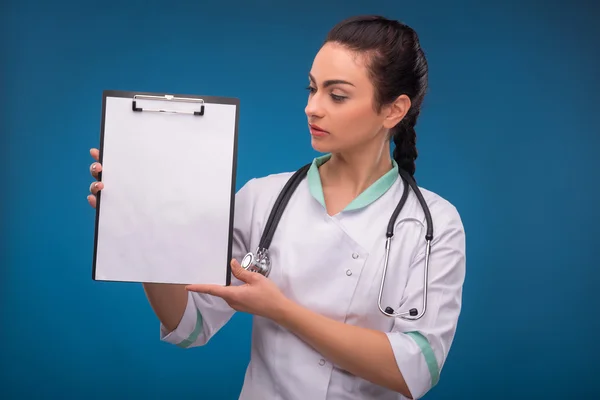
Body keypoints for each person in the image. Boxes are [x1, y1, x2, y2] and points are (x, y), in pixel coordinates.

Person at [87, 15, 466, 400]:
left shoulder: (433, 224)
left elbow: (414, 369)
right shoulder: (263, 199)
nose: (312, 108)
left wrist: (281, 310)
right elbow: (190, 325)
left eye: (336, 95)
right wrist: (144, 227)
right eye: (312, 88)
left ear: (393, 110)